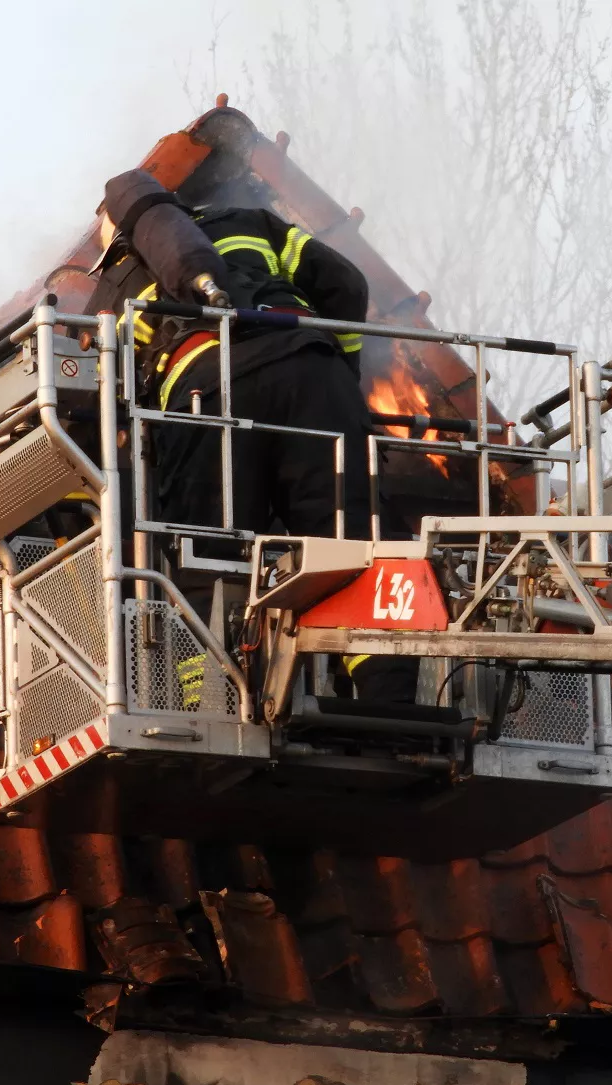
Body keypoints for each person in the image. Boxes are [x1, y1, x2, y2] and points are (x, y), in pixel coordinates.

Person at [86, 169, 415, 704]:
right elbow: (348, 285)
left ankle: (211, 698)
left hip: (208, 402)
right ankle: (389, 697)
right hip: (311, 373)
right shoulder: (250, 222)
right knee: (351, 540)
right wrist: (343, 372)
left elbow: (108, 396)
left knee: (207, 554)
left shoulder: (112, 289)